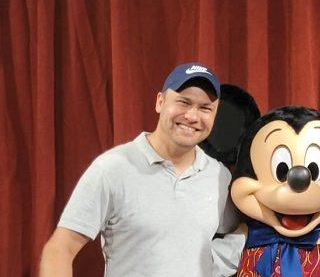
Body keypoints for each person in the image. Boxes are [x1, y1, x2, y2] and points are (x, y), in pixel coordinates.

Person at [38, 62, 240, 277]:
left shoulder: (219, 176)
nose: (192, 116)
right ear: (160, 102)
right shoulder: (112, 168)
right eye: (184, 102)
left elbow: (238, 233)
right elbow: (60, 249)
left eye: (205, 108)